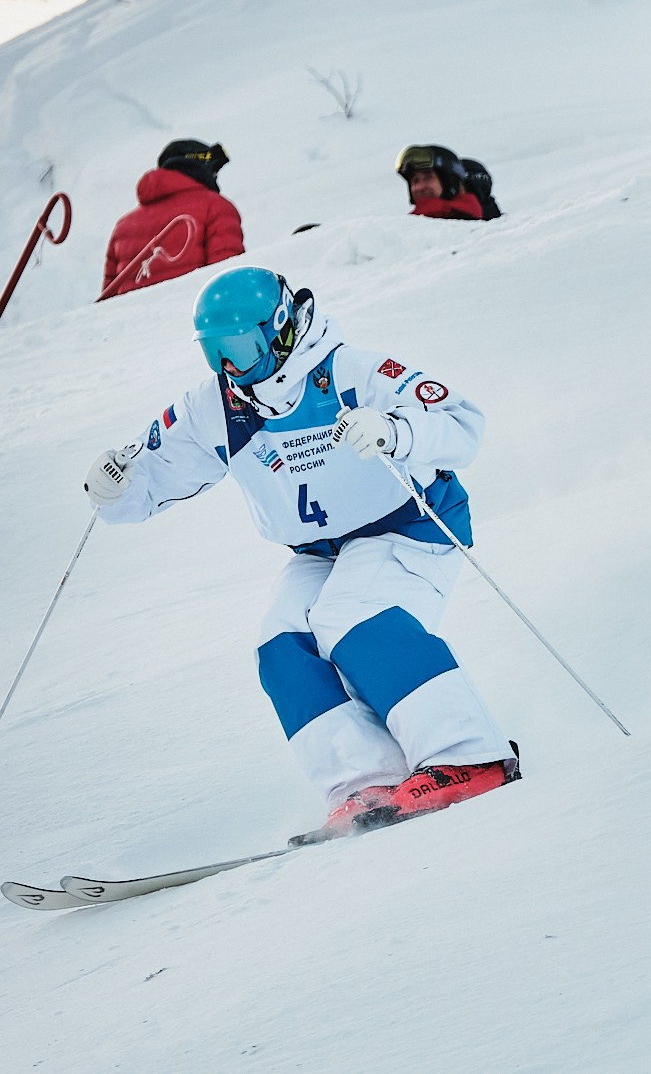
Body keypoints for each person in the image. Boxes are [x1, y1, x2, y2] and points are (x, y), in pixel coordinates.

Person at [83, 266, 519, 843]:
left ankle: (470, 756)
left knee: (353, 616)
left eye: (241, 347)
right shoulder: (217, 406)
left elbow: (462, 424)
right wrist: (114, 487)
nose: (231, 368)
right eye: (215, 353)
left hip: (409, 525)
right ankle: (366, 783)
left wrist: (394, 430)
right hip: (319, 549)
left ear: (282, 327)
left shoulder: (352, 373)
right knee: (282, 644)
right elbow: (149, 478)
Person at [101, 140, 246, 299]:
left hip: (133, 322)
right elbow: (227, 281)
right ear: (199, 169)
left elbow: (108, 303)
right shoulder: (216, 207)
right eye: (213, 172)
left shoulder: (123, 225)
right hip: (186, 317)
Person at [397, 144, 483, 221]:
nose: (419, 187)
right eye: (415, 181)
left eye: (428, 178)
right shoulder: (411, 225)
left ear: (450, 182)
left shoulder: (472, 229)